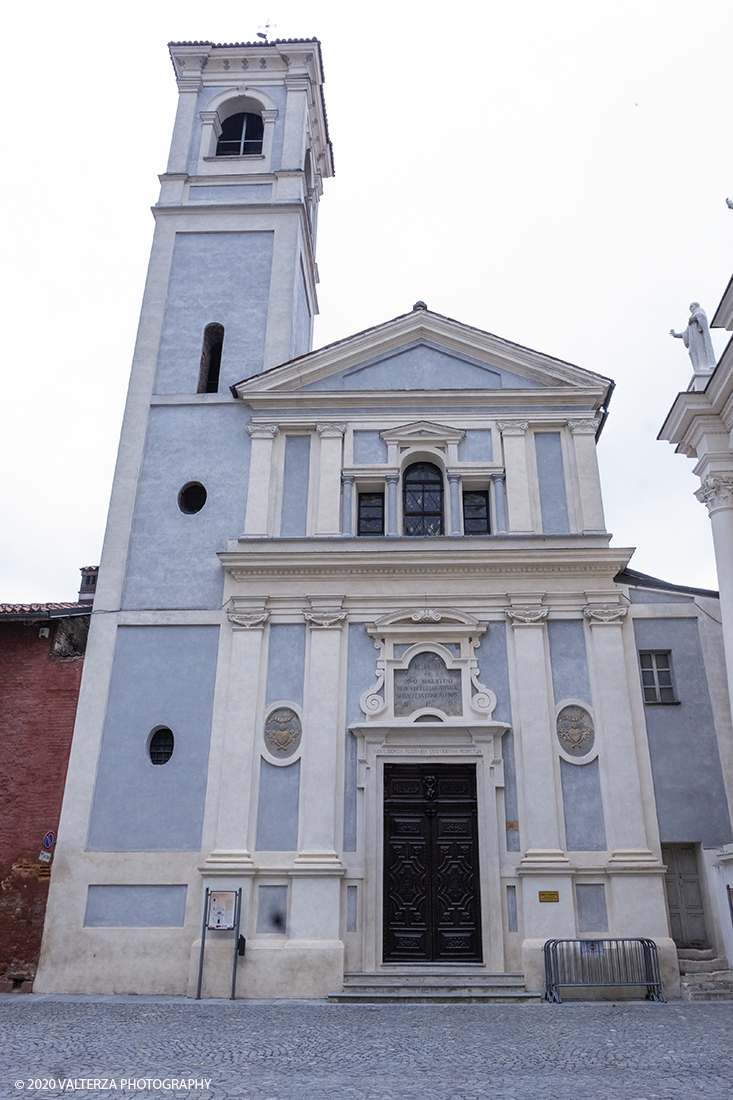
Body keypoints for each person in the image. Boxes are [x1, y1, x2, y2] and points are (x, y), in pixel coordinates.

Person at [670, 302, 716, 372]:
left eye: (691, 306)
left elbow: (702, 317)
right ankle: (699, 369)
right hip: (694, 343)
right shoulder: (690, 323)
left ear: (696, 306)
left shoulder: (699, 311)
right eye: (689, 307)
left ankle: (704, 367)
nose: (690, 308)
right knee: (693, 353)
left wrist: (693, 318)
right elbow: (685, 333)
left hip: (700, 340)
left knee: (701, 351)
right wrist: (675, 335)